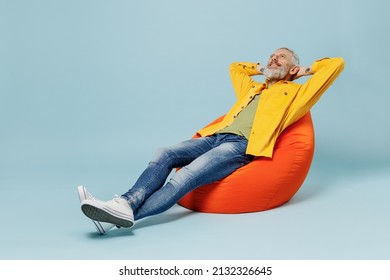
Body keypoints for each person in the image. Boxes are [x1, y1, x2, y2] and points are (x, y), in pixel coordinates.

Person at [78, 47, 345, 234]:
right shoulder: (253, 88)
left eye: (281, 57)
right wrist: (263, 68)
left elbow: (336, 65)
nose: (274, 59)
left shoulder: (297, 94)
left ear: (293, 66)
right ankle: (122, 205)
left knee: (184, 178)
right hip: (214, 138)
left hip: (240, 146)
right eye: (271, 56)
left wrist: (303, 71)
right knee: (164, 153)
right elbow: (235, 68)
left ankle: (120, 213)